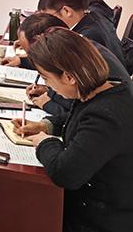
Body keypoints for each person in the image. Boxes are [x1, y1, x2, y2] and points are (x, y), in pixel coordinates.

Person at [12, 28, 133, 231]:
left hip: (101, 218)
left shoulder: (107, 115)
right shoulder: (101, 90)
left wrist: (44, 142)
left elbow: (66, 173)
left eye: (46, 78)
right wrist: (46, 125)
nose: (48, 86)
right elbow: (78, 120)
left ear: (69, 77)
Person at [1, 13, 130, 115]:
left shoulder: (86, 66)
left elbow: (77, 111)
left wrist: (48, 104)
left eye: (30, 52)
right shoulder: (80, 48)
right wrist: (50, 92)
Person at [38, 0, 124, 65]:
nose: (48, 22)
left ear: (67, 11)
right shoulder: (94, 17)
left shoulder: (86, 37)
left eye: (49, 17)